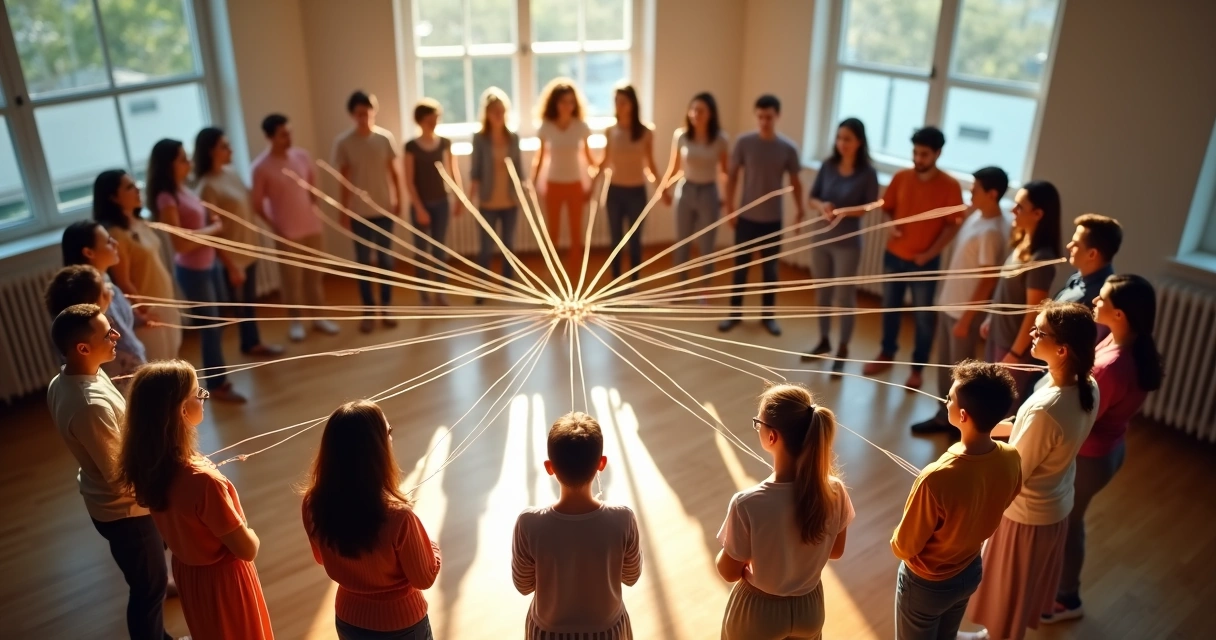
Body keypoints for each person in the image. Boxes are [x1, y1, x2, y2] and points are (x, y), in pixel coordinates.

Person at [961, 302, 1099, 640]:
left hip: (1027, 516)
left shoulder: (1047, 408)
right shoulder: (1086, 385)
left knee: (1007, 590)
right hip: (1052, 506)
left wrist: (973, 444)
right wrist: (995, 426)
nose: (1032, 335)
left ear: (1063, 350)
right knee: (1013, 588)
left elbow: (1014, 471)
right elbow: (1035, 434)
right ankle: (991, 634)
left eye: (1040, 332)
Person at [119, 360, 274, 640]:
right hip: (224, 584)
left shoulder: (148, 464)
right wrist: (248, 528)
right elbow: (247, 549)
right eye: (198, 393)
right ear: (182, 409)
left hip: (190, 576)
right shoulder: (204, 482)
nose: (204, 397)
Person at [46, 304, 172, 640]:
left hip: (112, 505)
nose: (117, 335)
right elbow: (120, 477)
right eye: (107, 333)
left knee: (151, 584)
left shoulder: (69, 376)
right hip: (126, 513)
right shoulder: (88, 404)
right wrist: (165, 488)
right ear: (82, 348)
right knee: (149, 591)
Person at [1044, 275, 1163, 624]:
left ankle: (1068, 598)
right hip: (1107, 450)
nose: (1095, 300)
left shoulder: (1112, 367)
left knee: (1069, 525)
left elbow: (1082, 418)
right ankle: (1060, 585)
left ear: (1121, 314)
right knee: (1070, 523)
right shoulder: (1127, 342)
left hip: (1092, 458)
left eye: (1103, 299)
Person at [891, 360, 1022, 639]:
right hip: (970, 569)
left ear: (962, 416)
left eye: (948, 397)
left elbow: (904, 546)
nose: (944, 400)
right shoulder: (1011, 456)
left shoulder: (936, 477)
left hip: (926, 585)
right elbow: (1007, 496)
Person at [716, 384, 852, 640]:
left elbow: (728, 572)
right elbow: (835, 551)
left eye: (759, 423)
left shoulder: (747, 503)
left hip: (759, 613)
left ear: (772, 437)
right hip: (809, 608)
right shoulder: (836, 491)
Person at [302, 400, 441, 639]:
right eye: (388, 432)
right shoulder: (399, 518)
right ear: (376, 448)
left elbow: (321, 558)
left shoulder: (313, 503)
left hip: (348, 617)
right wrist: (431, 546)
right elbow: (424, 577)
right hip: (401, 624)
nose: (391, 437)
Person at [511, 412, 642, 638]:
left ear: (549, 467)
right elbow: (631, 577)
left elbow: (524, 586)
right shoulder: (623, 519)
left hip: (547, 633)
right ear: (602, 464)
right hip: (609, 632)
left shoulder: (529, 524)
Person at [909, 167, 1013, 433]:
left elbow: (987, 280)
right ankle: (944, 415)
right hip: (950, 304)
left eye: (975, 189)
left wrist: (966, 319)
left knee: (959, 375)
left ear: (991, 194)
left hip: (962, 313)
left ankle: (958, 425)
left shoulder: (991, 231)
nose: (970, 193)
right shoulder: (979, 216)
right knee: (945, 365)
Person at [863, 126, 965, 390]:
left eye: (924, 154)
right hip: (894, 256)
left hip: (925, 263)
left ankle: (917, 368)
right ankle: (887, 353)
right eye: (915, 153)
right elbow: (887, 208)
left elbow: (953, 225)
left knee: (922, 317)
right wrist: (890, 224)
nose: (918, 159)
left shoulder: (950, 186)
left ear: (938, 153)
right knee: (890, 310)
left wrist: (930, 253)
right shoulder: (901, 177)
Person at [147, 138, 244, 403]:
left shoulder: (184, 188)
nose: (188, 163)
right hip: (193, 272)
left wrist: (210, 223)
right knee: (210, 328)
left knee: (217, 324)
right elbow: (180, 243)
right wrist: (214, 229)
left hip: (209, 264)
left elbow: (195, 225)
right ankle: (218, 385)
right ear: (168, 165)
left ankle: (218, 380)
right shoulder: (166, 197)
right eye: (182, 159)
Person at [719, 94, 805, 337]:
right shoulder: (744, 143)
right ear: (755, 116)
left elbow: (796, 182)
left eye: (769, 117)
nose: (764, 122)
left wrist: (799, 210)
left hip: (772, 220)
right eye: (760, 117)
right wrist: (729, 207)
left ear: (777, 116)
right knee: (741, 268)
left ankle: (768, 317)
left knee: (770, 271)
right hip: (747, 217)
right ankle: (734, 314)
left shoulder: (787, 148)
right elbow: (732, 175)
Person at [194, 127, 283, 358]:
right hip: (233, 259)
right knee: (242, 306)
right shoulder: (206, 187)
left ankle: (252, 343)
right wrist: (231, 266)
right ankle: (251, 344)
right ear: (211, 151)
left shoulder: (231, 172)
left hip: (249, 249)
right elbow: (212, 234)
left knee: (249, 303)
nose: (230, 149)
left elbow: (249, 203)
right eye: (224, 146)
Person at [251, 113, 341, 341]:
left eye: (289, 133)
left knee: (314, 277)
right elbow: (257, 204)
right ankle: (296, 321)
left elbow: (312, 187)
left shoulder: (302, 156)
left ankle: (319, 317)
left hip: (311, 228)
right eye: (282, 135)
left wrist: (313, 211)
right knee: (292, 281)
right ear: (269, 137)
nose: (288, 138)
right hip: (286, 233)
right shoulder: (261, 167)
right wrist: (275, 227)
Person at [802, 118, 879, 371]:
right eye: (839, 138)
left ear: (859, 142)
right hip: (821, 238)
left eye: (847, 139)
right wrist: (821, 206)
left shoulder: (867, 172)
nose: (842, 143)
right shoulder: (828, 165)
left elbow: (870, 206)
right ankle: (823, 341)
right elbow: (812, 197)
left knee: (844, 297)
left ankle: (843, 348)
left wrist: (846, 211)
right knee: (822, 292)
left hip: (848, 243)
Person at [980, 181, 1062, 400]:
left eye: (1019, 207)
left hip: (1012, 346)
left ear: (1038, 214)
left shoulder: (1041, 258)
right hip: (1000, 336)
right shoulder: (1022, 243)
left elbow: (1034, 311)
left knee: (1002, 404)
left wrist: (1015, 354)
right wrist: (990, 318)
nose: (1012, 210)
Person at [93, 169, 184, 361]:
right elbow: (123, 281)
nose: (137, 189)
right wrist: (143, 312)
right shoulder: (117, 234)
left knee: (173, 359)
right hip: (149, 310)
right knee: (161, 366)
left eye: (136, 185)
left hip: (165, 301)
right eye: (129, 187)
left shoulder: (139, 222)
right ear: (113, 197)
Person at [333, 90, 402, 332]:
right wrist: (343, 211)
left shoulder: (384, 139)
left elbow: (394, 172)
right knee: (363, 263)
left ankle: (386, 306)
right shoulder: (344, 143)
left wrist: (399, 200)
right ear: (352, 115)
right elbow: (344, 180)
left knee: (385, 260)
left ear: (374, 111)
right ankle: (368, 311)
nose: (365, 117)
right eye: (360, 113)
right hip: (359, 213)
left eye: (368, 112)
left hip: (384, 209)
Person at [61, 221, 147, 383]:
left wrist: (140, 319)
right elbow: (109, 334)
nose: (115, 243)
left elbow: (121, 320)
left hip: (130, 363)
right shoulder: (87, 295)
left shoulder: (104, 279)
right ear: (88, 252)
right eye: (108, 241)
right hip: (117, 372)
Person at [660, 92, 729, 289]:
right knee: (682, 241)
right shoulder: (681, 136)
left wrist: (726, 198)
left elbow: (725, 172)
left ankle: (705, 289)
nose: (696, 114)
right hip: (686, 190)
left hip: (709, 192)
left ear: (710, 114)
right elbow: (674, 168)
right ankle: (681, 287)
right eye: (693, 110)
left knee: (707, 245)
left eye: (701, 110)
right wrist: (664, 188)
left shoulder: (720, 139)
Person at [404, 98, 462, 306]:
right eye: (430, 120)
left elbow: (453, 172)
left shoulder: (445, 143)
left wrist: (459, 198)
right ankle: (424, 294)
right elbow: (409, 181)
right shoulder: (411, 146)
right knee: (421, 251)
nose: (434, 123)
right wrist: (419, 207)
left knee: (440, 249)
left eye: (436, 119)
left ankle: (441, 291)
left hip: (442, 203)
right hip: (421, 204)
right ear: (420, 121)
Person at [532, 78, 596, 260]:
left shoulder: (581, 127)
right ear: (555, 103)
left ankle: (575, 278)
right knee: (553, 233)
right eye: (563, 102)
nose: (567, 106)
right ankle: (553, 276)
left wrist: (592, 184)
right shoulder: (546, 127)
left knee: (576, 234)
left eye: (570, 102)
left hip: (575, 185)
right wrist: (534, 183)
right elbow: (540, 158)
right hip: (553, 185)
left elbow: (590, 160)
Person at [598, 83, 656, 281]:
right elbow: (605, 161)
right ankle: (615, 279)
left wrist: (662, 189)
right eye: (616, 101)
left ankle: (633, 281)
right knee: (615, 239)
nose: (619, 105)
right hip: (614, 192)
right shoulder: (610, 131)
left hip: (636, 193)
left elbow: (650, 164)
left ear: (632, 104)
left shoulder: (646, 132)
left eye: (623, 101)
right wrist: (591, 184)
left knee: (634, 240)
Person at [468, 87, 523, 285]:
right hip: (488, 200)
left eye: (502, 111)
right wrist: (469, 199)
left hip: (509, 200)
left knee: (508, 244)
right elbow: (475, 171)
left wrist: (522, 193)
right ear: (488, 114)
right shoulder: (480, 138)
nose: (499, 116)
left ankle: (509, 284)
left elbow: (519, 169)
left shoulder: (513, 137)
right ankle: (483, 285)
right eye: (494, 112)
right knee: (485, 246)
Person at [1055, 214, 1121, 307]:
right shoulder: (1079, 277)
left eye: (1076, 244)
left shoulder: (1095, 300)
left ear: (1092, 254)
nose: (1069, 246)